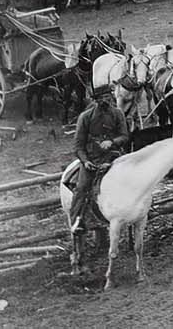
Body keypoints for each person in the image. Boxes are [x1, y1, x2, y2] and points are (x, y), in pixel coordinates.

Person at [70, 87, 130, 237]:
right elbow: (78, 146)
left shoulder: (118, 113)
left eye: (109, 96)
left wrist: (112, 142)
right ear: (95, 100)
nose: (108, 100)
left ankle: (139, 210)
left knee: (132, 179)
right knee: (82, 188)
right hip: (93, 159)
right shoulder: (85, 117)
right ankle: (77, 221)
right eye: (103, 98)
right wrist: (85, 161)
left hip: (114, 155)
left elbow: (125, 136)